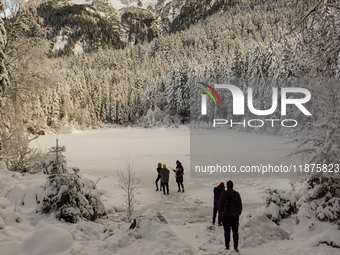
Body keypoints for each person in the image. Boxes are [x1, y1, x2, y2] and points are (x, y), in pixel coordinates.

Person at [218, 180, 242, 253]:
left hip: (226, 216)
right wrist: (237, 213)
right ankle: (235, 247)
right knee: (235, 232)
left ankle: (227, 247)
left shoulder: (223, 194)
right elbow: (240, 206)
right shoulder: (236, 194)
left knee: (227, 232)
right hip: (234, 216)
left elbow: (220, 206)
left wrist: (221, 216)